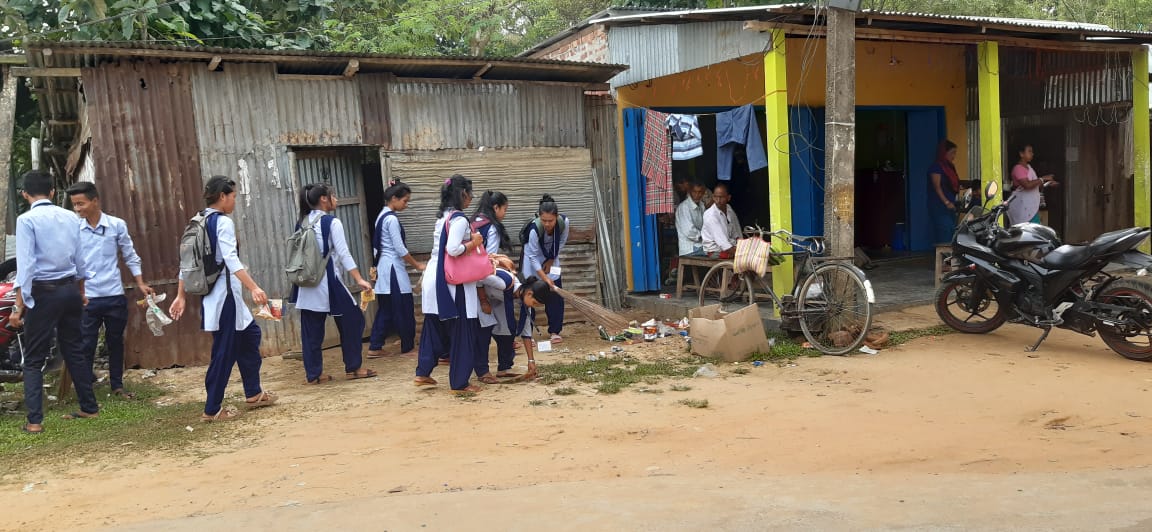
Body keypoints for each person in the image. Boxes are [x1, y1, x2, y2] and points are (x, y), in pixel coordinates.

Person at [170, 176, 278, 422]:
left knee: (250, 336)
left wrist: (181, 295)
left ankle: (254, 393)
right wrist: (254, 287)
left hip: (220, 298)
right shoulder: (222, 222)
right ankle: (212, 409)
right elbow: (231, 259)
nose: (234, 201)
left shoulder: (198, 221)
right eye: (233, 196)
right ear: (222, 196)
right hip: (225, 298)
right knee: (224, 352)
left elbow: (186, 264)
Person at [11, 171, 99, 434]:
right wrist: (81, 292)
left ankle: (34, 421)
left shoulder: (26, 220)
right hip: (70, 289)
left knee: (34, 358)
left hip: (44, 293)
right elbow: (80, 260)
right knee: (73, 349)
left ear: (24, 194)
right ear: (52, 192)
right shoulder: (71, 217)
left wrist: (18, 307)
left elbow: (26, 267)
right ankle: (89, 407)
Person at [66, 182, 154, 400]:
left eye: (81, 203)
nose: (77, 209)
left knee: (115, 342)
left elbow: (130, 255)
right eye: (74, 205)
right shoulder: (74, 229)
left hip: (114, 294)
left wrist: (140, 283)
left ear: (95, 201)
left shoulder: (116, 225)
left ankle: (117, 385)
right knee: (86, 343)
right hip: (87, 297)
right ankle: (86, 389)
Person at [290, 184, 377, 384]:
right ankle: (353, 367)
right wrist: (359, 279)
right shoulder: (332, 222)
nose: (335, 199)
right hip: (327, 281)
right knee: (354, 320)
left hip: (306, 283)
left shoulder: (302, 222)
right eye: (333, 195)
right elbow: (344, 253)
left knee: (311, 331)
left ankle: (314, 374)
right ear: (323, 199)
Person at [416, 175, 490, 392]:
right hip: (452, 281)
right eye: (470, 194)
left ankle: (423, 372)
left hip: (434, 276)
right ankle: (460, 382)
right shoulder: (459, 220)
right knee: (462, 331)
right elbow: (453, 249)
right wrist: (474, 243)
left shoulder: (442, 217)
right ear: (463, 194)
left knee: (434, 327)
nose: (472, 198)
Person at [368, 181, 424, 358]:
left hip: (384, 266)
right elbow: (400, 248)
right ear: (394, 198)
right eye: (405, 201)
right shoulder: (391, 219)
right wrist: (417, 265)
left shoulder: (381, 216)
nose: (406, 205)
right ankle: (408, 347)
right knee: (404, 308)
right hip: (393, 269)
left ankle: (375, 345)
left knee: (386, 309)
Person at [478, 257, 551, 382]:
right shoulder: (504, 282)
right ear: (529, 294)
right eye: (534, 303)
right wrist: (483, 301)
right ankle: (483, 372)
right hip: (477, 295)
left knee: (507, 330)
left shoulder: (523, 302)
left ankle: (504, 368)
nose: (533, 306)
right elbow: (479, 277)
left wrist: (531, 361)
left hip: (495, 300)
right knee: (483, 332)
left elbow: (526, 333)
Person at [521, 194, 570, 344]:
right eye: (544, 221)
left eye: (551, 221)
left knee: (555, 293)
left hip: (551, 258)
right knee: (529, 295)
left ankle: (555, 331)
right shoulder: (534, 230)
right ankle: (527, 334)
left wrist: (551, 260)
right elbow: (532, 257)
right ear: (539, 217)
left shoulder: (564, 222)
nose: (547, 224)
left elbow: (562, 241)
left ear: (557, 217)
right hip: (532, 260)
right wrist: (544, 278)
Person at [1008, 143, 1059, 226]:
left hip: (1030, 208)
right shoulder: (1018, 168)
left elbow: (1035, 185)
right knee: (1025, 231)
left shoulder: (1029, 167)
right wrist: (1043, 178)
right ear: (1021, 154)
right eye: (1029, 151)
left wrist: (1048, 183)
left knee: (1033, 231)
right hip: (1022, 208)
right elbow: (1027, 185)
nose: (1032, 154)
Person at [928, 140, 965, 244]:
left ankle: (949, 253)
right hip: (939, 206)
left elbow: (951, 184)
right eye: (952, 153)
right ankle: (944, 254)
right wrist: (946, 202)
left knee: (952, 230)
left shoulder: (950, 167)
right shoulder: (936, 167)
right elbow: (937, 187)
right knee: (945, 230)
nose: (954, 156)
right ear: (944, 153)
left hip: (951, 206)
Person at [701, 183, 742, 259]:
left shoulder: (728, 209)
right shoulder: (710, 215)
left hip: (730, 246)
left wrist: (742, 244)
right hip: (716, 251)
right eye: (715, 197)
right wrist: (741, 252)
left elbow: (736, 230)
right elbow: (723, 244)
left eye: (721, 197)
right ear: (713, 197)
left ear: (728, 198)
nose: (718, 200)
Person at [473, 190, 512, 254]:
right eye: (505, 209)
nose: (505, 213)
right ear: (496, 208)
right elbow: (491, 256)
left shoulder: (474, 220)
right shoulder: (493, 229)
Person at [675, 182, 707, 257]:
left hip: (700, 245)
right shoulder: (684, 207)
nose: (697, 195)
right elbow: (689, 232)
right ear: (690, 192)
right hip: (690, 248)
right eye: (694, 192)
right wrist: (706, 237)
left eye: (700, 192)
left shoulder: (702, 206)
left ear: (703, 193)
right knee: (717, 251)